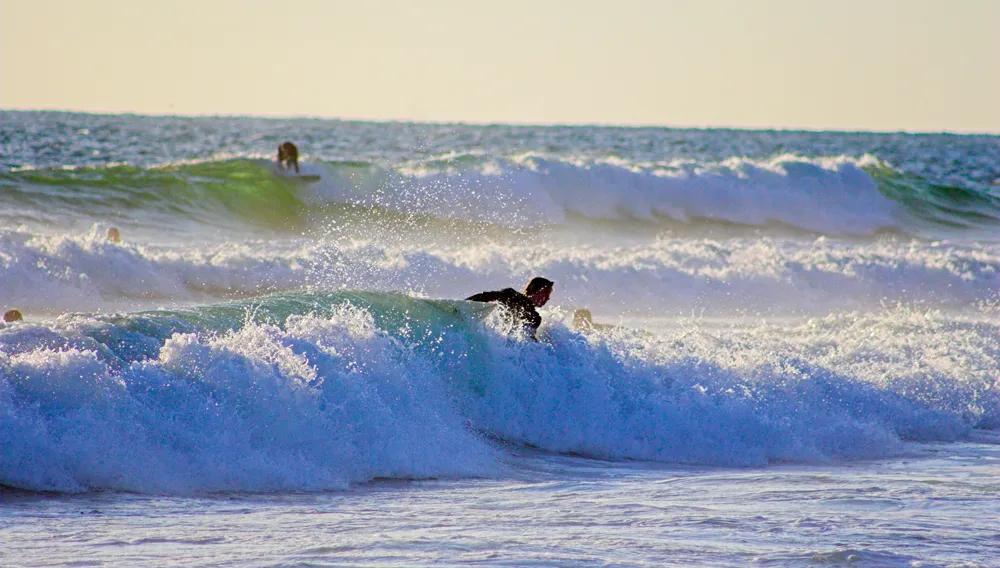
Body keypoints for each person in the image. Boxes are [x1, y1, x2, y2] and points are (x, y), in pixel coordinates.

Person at [466, 277, 554, 340]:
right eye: (545, 293)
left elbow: (528, 341)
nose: (548, 298)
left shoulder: (535, 318)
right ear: (535, 290)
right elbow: (486, 296)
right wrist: (466, 302)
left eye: (549, 294)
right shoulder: (512, 296)